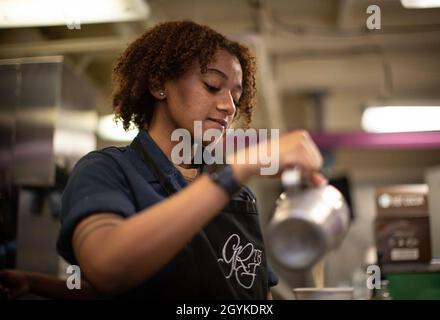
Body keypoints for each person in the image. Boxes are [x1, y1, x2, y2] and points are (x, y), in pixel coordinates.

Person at [3, 20, 325, 300]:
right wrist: (240, 167)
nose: (228, 106)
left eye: (236, 96)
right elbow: (107, 269)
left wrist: (33, 283)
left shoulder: (241, 197)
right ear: (159, 85)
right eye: (213, 86)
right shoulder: (107, 171)